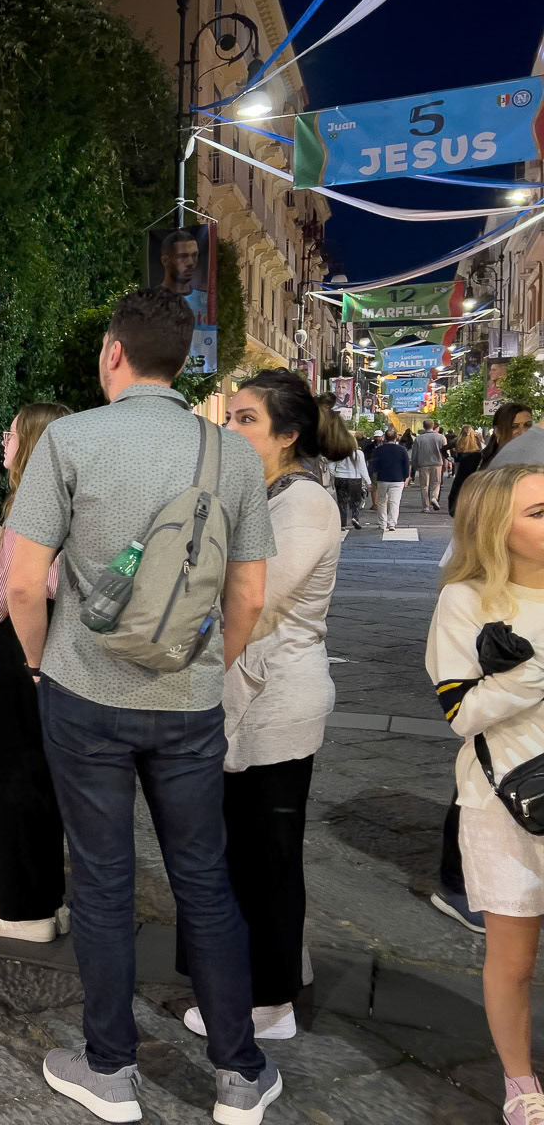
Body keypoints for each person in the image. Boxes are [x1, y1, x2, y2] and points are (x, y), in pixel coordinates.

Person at [4, 287, 281, 1123]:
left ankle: (111, 1070)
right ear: (183, 357)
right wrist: (206, 669)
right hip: (189, 701)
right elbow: (250, 593)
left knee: (101, 879)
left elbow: (23, 582)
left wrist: (37, 663)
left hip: (84, 692)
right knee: (204, 878)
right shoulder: (231, 453)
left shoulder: (69, 441)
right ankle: (239, 1075)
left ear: (113, 353)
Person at [173, 370, 346, 1044]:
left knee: (266, 854)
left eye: (246, 419)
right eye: (231, 416)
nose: (230, 428)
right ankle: (272, 969)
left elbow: (251, 594)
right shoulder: (260, 493)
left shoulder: (304, 505)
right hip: (240, 694)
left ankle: (270, 1003)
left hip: (275, 702)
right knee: (245, 849)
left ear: (287, 434)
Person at [426, 464, 544, 1125]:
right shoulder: (464, 601)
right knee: (514, 960)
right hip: (506, 805)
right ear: (496, 527)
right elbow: (462, 714)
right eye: (538, 512)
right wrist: (536, 675)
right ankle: (521, 1083)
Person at [0, 402, 72, 942]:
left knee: (12, 774)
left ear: (30, 442)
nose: (3, 441)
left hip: (20, 638)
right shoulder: (72, 496)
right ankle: (48, 899)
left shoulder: (32, 500)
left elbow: (10, 588)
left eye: (11, 432)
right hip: (59, 634)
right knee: (43, 772)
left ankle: (23, 910)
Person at [158, 229, 208, 324]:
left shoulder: (205, 301)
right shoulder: (149, 301)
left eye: (194, 255)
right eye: (182, 256)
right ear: (165, 260)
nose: (191, 263)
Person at [367, 430, 411, 532]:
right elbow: (406, 465)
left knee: (382, 501)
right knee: (394, 502)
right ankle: (392, 523)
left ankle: (382, 523)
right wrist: (406, 477)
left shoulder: (378, 450)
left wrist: (370, 476)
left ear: (384, 438)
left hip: (382, 478)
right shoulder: (402, 450)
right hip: (397, 478)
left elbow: (373, 465)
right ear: (396, 438)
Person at [329, 436, 370, 532]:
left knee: (342, 501)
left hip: (340, 478)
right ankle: (355, 517)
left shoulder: (339, 453)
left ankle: (342, 523)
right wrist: (368, 481)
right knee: (355, 500)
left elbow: (331, 466)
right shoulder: (359, 453)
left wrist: (335, 474)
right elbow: (363, 469)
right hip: (355, 478)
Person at [486, 403, 539, 471]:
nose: (522, 432)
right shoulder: (474, 462)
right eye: (514, 427)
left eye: (527, 425)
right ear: (497, 431)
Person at [448, 426, 485, 518]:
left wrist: (451, 458)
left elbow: (444, 448)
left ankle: (454, 510)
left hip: (461, 469)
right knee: (472, 491)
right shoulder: (476, 441)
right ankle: (471, 510)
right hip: (473, 470)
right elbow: (482, 453)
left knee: (456, 491)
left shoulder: (458, 440)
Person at [412, 419, 447, 513]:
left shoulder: (419, 439)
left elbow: (414, 453)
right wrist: (446, 464)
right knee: (436, 483)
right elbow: (445, 452)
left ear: (424, 427)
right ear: (433, 426)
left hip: (423, 464)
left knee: (424, 486)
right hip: (437, 463)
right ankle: (434, 497)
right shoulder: (441, 437)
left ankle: (426, 507)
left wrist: (414, 465)